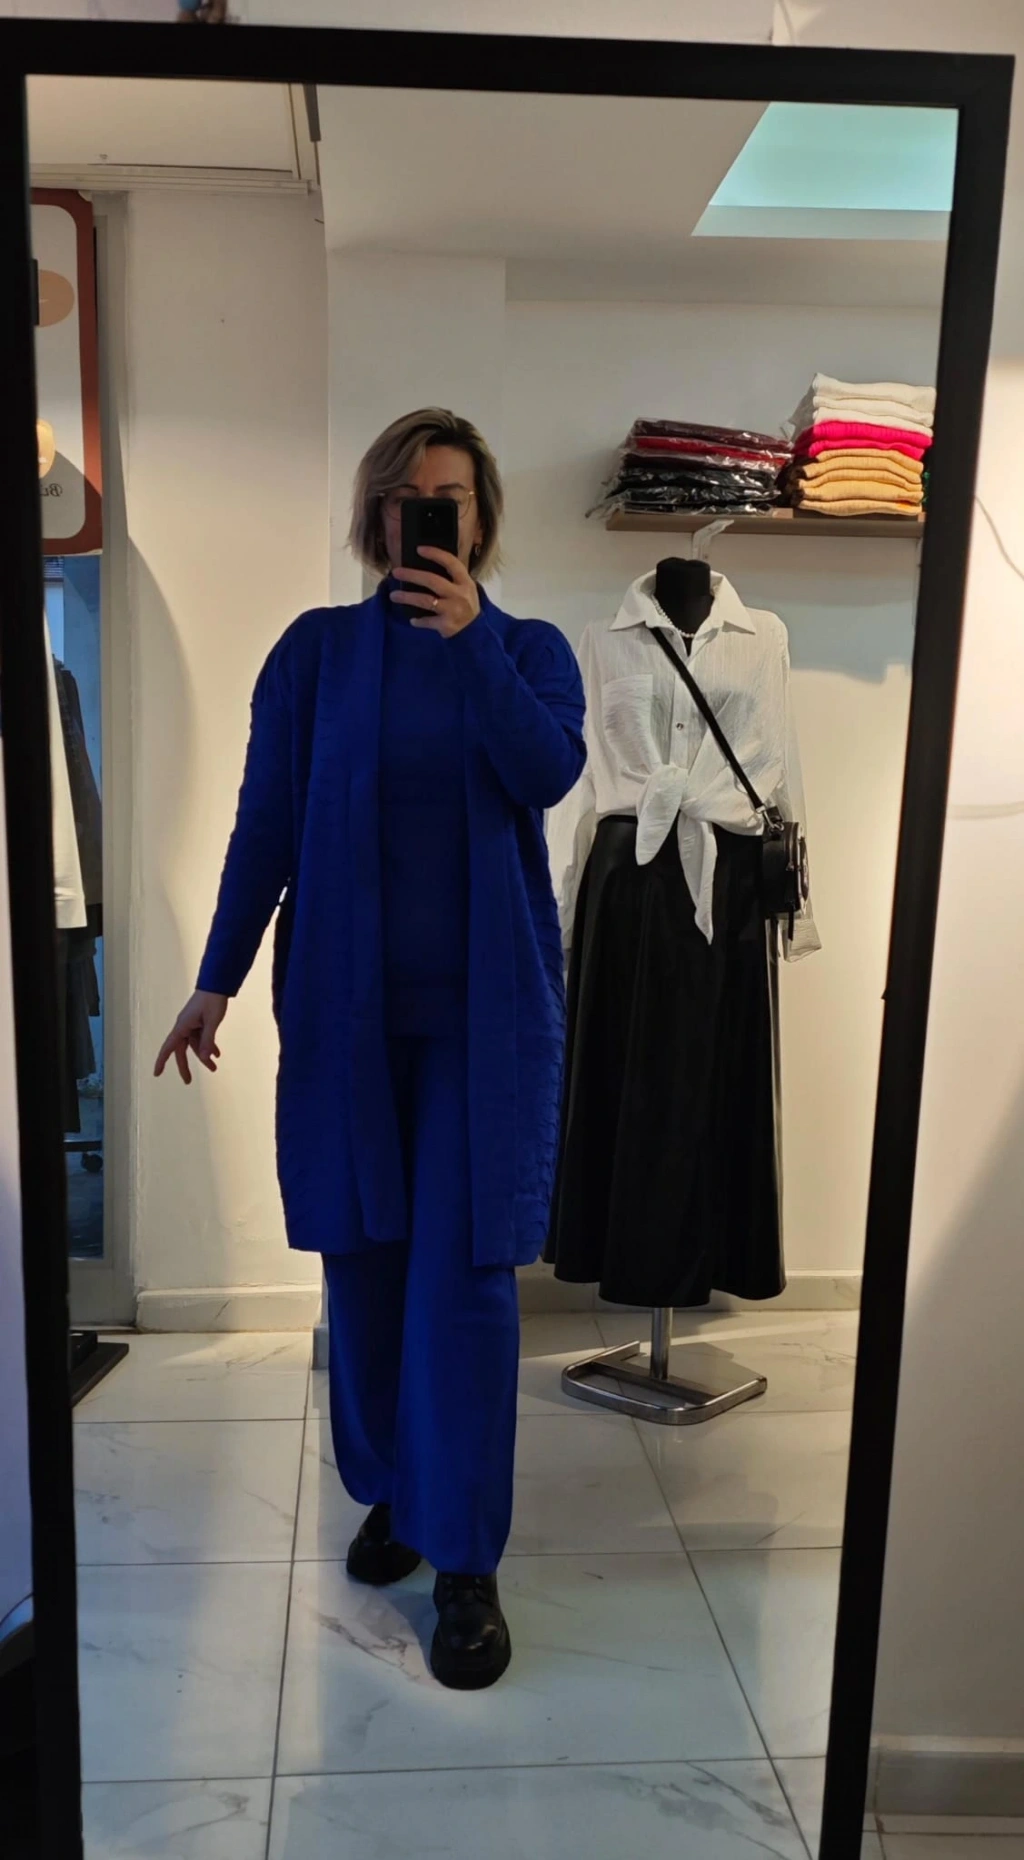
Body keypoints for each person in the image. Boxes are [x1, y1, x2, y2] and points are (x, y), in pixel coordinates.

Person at [155, 409, 586, 1690]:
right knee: (365, 1263)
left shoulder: (527, 650)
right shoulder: (315, 656)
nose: (422, 515)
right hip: (347, 1016)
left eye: (447, 497)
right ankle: (397, 1488)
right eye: (403, 496)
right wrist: (215, 978)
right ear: (372, 515)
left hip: (482, 1027)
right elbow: (265, 826)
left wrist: (470, 647)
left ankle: (465, 1564)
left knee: (466, 1280)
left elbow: (547, 771)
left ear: (480, 519)